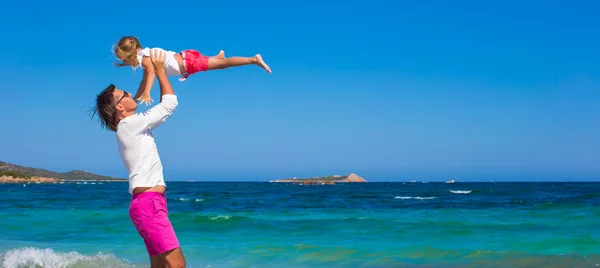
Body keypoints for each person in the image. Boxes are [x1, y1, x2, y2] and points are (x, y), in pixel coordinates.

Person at [91, 49, 186, 268]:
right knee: (177, 264)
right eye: (125, 94)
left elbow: (143, 90)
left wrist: (148, 71)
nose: (131, 95)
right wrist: (161, 71)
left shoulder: (128, 127)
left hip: (149, 204)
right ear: (120, 107)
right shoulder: (130, 125)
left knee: (161, 266)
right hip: (148, 205)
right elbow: (169, 105)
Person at [113, 35, 272, 105]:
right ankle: (218, 56)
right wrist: (136, 98)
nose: (125, 62)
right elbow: (144, 79)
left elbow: (151, 76)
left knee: (225, 65)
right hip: (186, 60)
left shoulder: (145, 58)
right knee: (218, 63)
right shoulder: (145, 56)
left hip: (188, 63)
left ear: (130, 54)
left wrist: (146, 93)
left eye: (123, 59)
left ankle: (253, 59)